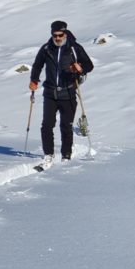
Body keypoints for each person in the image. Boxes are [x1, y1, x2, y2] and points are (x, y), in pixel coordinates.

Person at [29, 20, 94, 167]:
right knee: (47, 125)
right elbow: (37, 65)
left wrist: (80, 68)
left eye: (60, 35)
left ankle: (66, 156)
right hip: (50, 92)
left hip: (68, 92)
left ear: (65, 33)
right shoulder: (46, 48)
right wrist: (34, 79)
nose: (57, 38)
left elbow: (89, 66)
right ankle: (48, 155)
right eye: (55, 35)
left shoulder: (74, 48)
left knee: (66, 126)